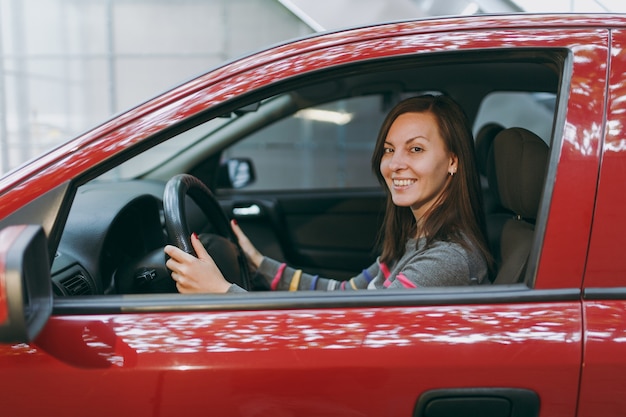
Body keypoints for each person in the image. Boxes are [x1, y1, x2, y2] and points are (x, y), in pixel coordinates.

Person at [164, 94, 493, 294]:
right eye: (389, 150)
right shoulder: (416, 240)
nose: (395, 164)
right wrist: (259, 265)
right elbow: (345, 294)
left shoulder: (447, 259)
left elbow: (358, 329)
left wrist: (221, 292)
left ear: (453, 161)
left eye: (416, 149)